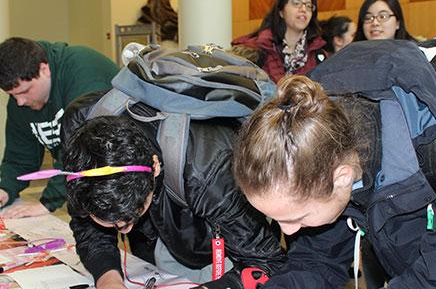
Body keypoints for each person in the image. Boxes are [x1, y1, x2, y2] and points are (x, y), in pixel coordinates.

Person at [233, 40, 436, 288]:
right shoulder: (322, 146)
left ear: (342, 176)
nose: (286, 230)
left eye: (297, 216)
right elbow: (317, 262)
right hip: (416, 258)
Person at [58, 95, 286, 289]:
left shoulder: (207, 171)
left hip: (222, 238)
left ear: (154, 167)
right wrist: (109, 279)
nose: (124, 230)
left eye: (129, 219)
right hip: (163, 234)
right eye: (112, 224)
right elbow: (85, 223)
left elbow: (266, 261)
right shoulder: (80, 131)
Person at [0, 38, 119, 218]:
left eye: (24, 91)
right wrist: (5, 189)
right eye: (12, 95)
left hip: (123, 167)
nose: (20, 101)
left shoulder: (83, 71)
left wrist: (48, 201)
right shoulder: (21, 99)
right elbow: (20, 157)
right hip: (85, 179)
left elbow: (84, 148)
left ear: (44, 69)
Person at [231, 0, 327, 82]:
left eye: (309, 6)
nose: (303, 9)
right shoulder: (255, 49)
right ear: (281, 11)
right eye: (296, 3)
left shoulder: (319, 55)